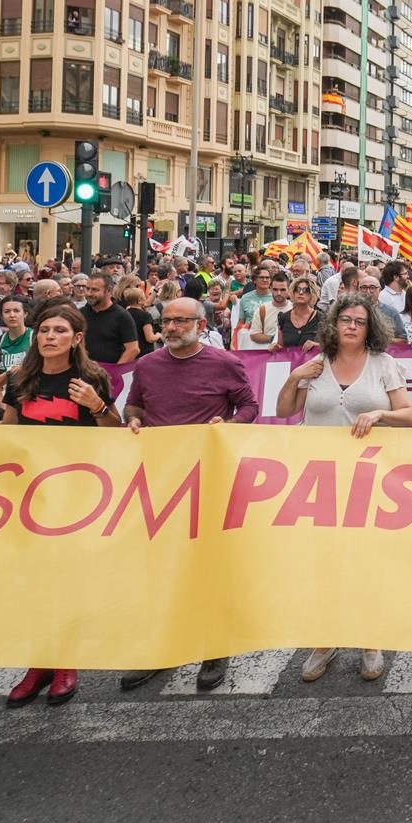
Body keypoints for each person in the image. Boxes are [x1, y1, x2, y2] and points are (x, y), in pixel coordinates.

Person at [117, 297, 260, 694]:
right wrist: (132, 419)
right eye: (167, 321)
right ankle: (160, 650)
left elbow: (248, 405)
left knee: (207, 564)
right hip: (160, 478)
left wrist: (227, 423)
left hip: (210, 477)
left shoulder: (224, 363)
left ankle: (214, 648)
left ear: (201, 323)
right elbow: (136, 404)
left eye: (181, 321)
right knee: (162, 566)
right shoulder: (146, 365)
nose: (173, 327)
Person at [273, 293, 412, 684]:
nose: (351, 326)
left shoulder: (384, 364)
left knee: (365, 559)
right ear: (334, 324)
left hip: (369, 480)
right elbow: (286, 411)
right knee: (324, 561)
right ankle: (326, 639)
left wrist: (380, 412)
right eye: (345, 320)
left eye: (359, 321)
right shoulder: (317, 365)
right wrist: (293, 378)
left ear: (371, 328)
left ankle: (369, 639)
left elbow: (407, 416)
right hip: (318, 479)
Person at [1, 304, 119, 708]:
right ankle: (38, 663)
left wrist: (97, 406)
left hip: (78, 494)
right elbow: (6, 432)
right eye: (44, 330)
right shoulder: (19, 379)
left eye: (59, 330)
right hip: (30, 494)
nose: (49, 336)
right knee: (32, 580)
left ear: (77, 338)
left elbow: (115, 431)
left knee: (66, 577)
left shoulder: (92, 378)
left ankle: (65, 662)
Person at [81, 273, 141, 364]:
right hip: (84, 371)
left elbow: (133, 349)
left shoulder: (122, 316)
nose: (89, 293)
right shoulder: (81, 313)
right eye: (87, 288)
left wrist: (114, 372)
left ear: (108, 291)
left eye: (94, 290)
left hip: (109, 373)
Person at [279, 276, 323, 349]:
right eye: (297, 289)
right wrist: (276, 346)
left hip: (313, 359)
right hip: (289, 359)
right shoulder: (283, 317)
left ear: (312, 294)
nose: (301, 293)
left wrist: (316, 345)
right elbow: (281, 347)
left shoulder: (321, 318)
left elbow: (331, 346)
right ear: (292, 292)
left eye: (306, 290)